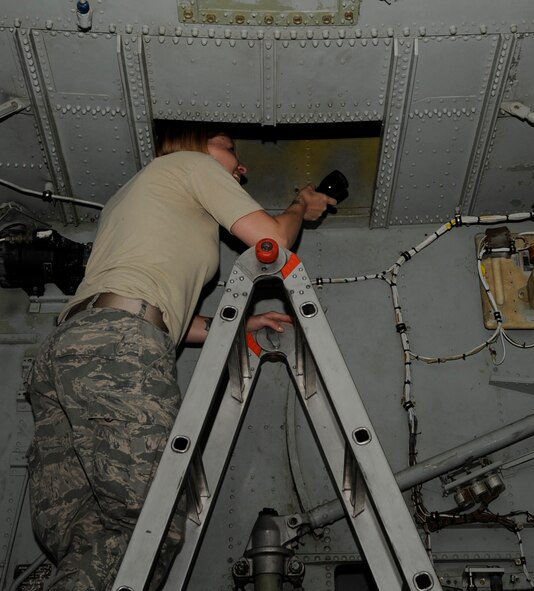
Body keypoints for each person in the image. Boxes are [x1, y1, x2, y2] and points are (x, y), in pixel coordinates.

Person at [25, 122, 336, 590]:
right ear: (196, 146)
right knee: (147, 527)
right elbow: (273, 242)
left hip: (70, 349)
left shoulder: (130, 198)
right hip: (117, 346)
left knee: (82, 539)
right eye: (230, 150)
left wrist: (236, 325)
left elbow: (143, 301)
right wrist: (300, 207)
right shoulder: (190, 165)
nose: (242, 166)